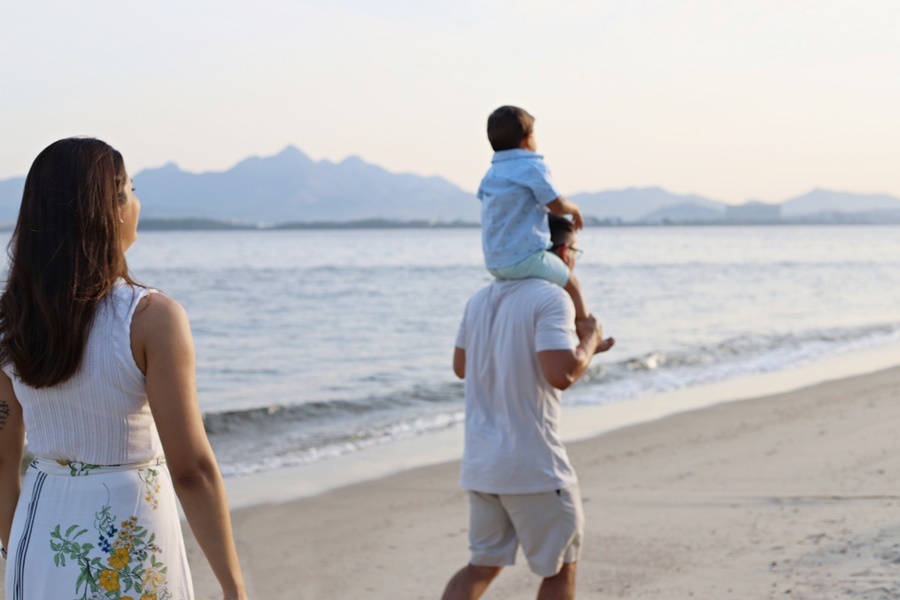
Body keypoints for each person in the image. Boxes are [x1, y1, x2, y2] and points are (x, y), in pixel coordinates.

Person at [0, 138, 247, 599]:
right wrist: (235, 588)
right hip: (131, 535)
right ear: (108, 209)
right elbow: (192, 470)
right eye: (130, 190)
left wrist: (15, 550)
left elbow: (1, 460)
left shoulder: (9, 322)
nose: (137, 202)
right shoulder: (152, 319)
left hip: (38, 532)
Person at [442, 215, 614, 600]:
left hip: (482, 464)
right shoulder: (551, 297)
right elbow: (561, 375)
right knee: (561, 566)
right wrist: (588, 342)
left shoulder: (481, 298)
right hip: (533, 466)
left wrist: (580, 350)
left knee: (481, 566)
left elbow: (462, 367)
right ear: (564, 252)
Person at [478, 105, 590, 321]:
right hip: (525, 258)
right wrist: (574, 209)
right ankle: (588, 333)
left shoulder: (491, 174)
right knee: (572, 284)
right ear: (528, 139)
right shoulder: (531, 166)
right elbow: (555, 205)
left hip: (494, 263)